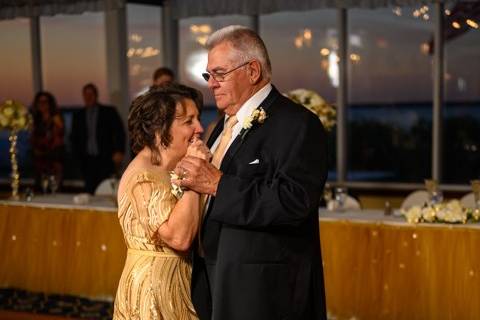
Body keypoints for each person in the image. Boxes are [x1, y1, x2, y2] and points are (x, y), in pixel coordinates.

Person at [174, 25, 328, 320]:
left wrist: (219, 184)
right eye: (209, 75)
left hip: (261, 290)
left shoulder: (297, 124)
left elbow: (294, 201)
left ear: (253, 71)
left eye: (220, 74)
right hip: (210, 277)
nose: (212, 84)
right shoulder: (221, 125)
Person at [113, 84, 210, 320]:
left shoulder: (167, 169)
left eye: (197, 118)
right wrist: (195, 175)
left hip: (177, 286)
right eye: (188, 121)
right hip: (152, 295)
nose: (200, 128)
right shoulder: (142, 176)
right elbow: (179, 237)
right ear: (159, 130)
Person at [70, 83, 126, 194]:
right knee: (89, 191)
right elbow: (73, 138)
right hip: (86, 161)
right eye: (86, 94)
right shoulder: (78, 115)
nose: (88, 97)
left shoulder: (109, 112)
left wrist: (119, 151)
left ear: (96, 95)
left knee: (107, 190)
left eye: (91, 94)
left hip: (106, 158)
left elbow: (120, 133)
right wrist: (76, 156)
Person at [30, 91, 65, 191]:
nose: (42, 104)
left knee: (55, 188)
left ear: (50, 103)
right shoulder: (35, 119)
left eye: (45, 101)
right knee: (40, 187)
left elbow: (60, 136)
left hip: (54, 158)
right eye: (40, 102)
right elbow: (32, 138)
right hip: (39, 160)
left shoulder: (56, 118)